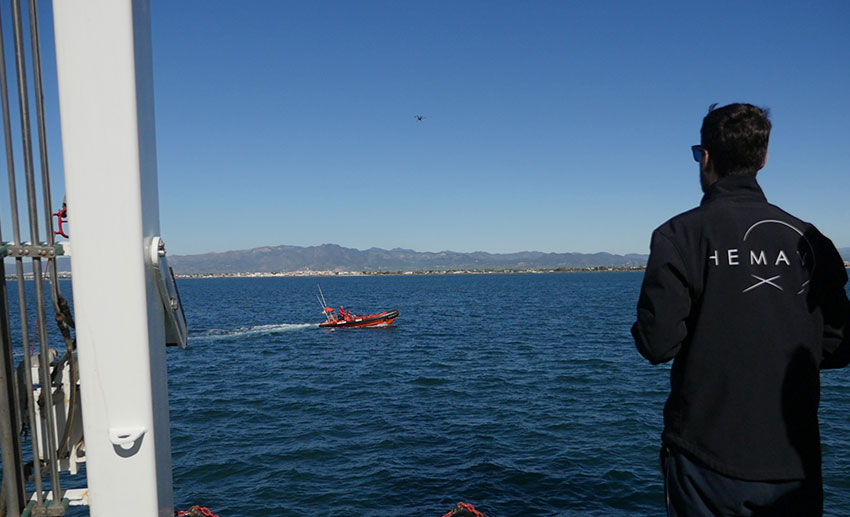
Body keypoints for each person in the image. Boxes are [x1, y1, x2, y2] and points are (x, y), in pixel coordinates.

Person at [631, 103, 850, 516]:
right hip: (793, 460)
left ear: (706, 157)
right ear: (763, 159)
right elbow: (839, 345)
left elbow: (656, 345)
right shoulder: (812, 240)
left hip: (704, 459)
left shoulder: (678, 235)